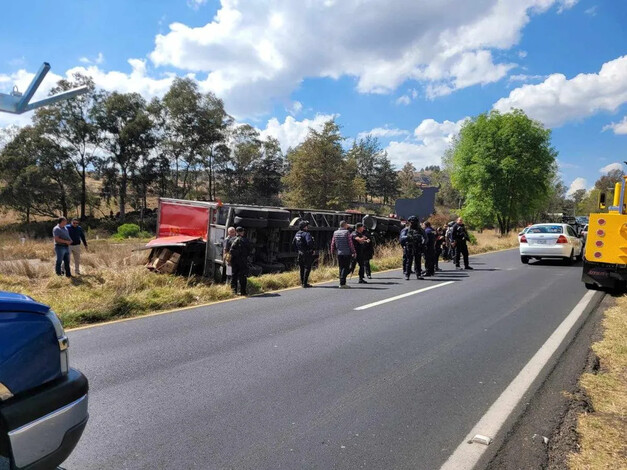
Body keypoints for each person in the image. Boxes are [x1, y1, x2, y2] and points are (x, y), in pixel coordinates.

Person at [330, 220, 356, 288]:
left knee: (341, 267)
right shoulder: (346, 232)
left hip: (339, 252)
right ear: (345, 225)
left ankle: (341, 282)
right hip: (346, 252)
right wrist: (353, 252)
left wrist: (332, 251)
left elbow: (333, 243)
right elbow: (350, 243)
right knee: (346, 267)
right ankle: (343, 283)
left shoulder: (335, 232)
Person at [400, 216, 425, 280]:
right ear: (409, 222)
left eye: (415, 222)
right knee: (409, 261)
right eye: (412, 222)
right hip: (409, 247)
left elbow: (425, 238)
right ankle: (407, 274)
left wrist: (422, 243)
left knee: (418, 261)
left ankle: (418, 274)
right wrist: (408, 238)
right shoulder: (406, 229)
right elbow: (401, 238)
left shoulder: (420, 230)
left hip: (417, 246)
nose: (413, 223)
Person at [229, 227, 252, 295]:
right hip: (243, 261)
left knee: (234, 276)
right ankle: (243, 292)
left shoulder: (231, 239)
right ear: (242, 232)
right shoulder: (246, 240)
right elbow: (250, 250)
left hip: (234, 260)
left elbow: (228, 250)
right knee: (243, 276)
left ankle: (234, 291)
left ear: (236, 232)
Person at [293, 220, 315, 288]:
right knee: (307, 268)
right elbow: (309, 243)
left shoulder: (297, 234)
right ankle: (305, 283)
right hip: (307, 253)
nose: (307, 227)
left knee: (301, 268)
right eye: (306, 226)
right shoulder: (306, 234)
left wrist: (298, 250)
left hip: (300, 253)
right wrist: (312, 249)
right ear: (304, 227)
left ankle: (302, 282)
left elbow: (293, 243)